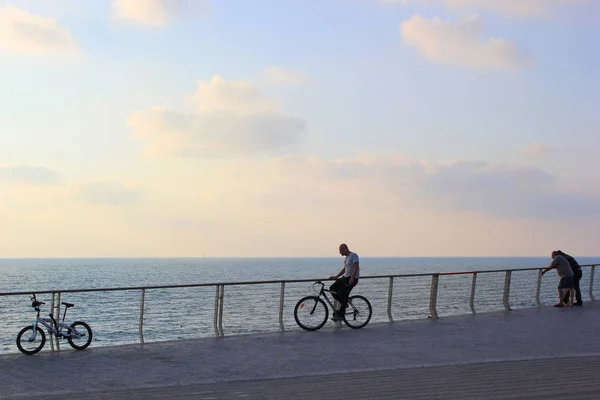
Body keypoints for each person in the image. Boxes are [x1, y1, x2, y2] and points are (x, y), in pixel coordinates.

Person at [328, 243, 360, 321]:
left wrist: (352, 278)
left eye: (340, 250)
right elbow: (344, 269)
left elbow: (356, 268)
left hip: (351, 278)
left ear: (345, 249)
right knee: (332, 288)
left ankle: (341, 314)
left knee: (344, 294)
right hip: (345, 277)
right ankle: (344, 303)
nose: (340, 252)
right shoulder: (346, 258)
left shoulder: (354, 255)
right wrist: (336, 277)